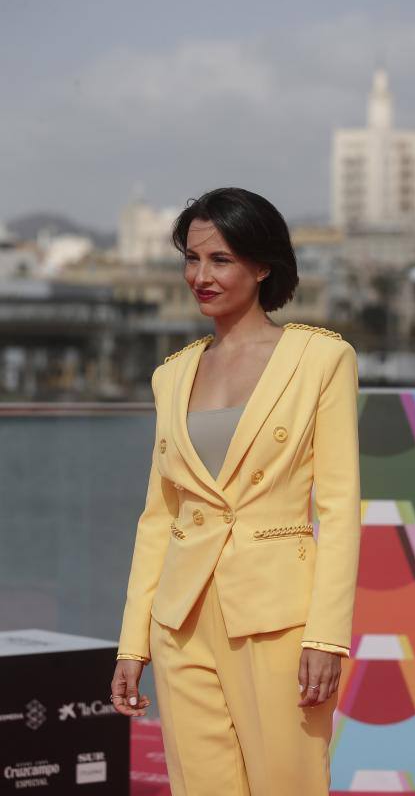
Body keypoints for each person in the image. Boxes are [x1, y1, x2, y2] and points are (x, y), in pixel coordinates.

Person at [110, 187, 361, 795]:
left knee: (289, 785)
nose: (201, 276)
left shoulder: (320, 358)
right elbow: (158, 519)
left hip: (278, 617)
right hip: (181, 620)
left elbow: (340, 508)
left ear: (263, 264)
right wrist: (132, 643)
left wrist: (326, 637)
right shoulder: (170, 375)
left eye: (220, 259)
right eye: (192, 259)